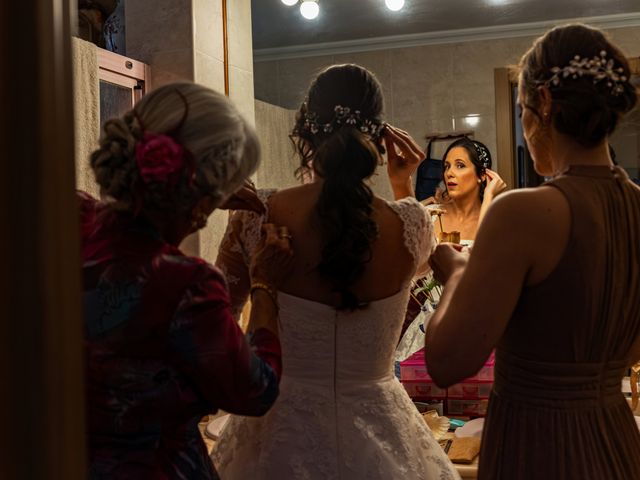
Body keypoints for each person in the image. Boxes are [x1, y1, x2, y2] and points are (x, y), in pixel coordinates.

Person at [212, 64, 460, 479]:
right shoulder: (411, 225)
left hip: (277, 432)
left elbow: (213, 332)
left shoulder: (258, 216)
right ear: (380, 137)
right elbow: (410, 262)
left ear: (305, 132)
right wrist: (404, 186)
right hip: (383, 432)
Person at [425, 24, 640, 479]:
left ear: (543, 103)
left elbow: (446, 363)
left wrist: (458, 273)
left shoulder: (520, 212)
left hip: (540, 443)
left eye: (523, 109)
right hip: (617, 440)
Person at [81, 82, 294, 479]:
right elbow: (256, 389)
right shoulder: (185, 283)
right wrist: (264, 284)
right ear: (207, 197)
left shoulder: (71, 221)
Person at [434, 137, 506, 243]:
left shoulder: (499, 222)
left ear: (481, 175)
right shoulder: (431, 215)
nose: (449, 173)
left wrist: (488, 196)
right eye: (447, 166)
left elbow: (485, 254)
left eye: (460, 165)